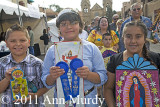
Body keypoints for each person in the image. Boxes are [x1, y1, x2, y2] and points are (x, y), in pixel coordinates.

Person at [41, 8, 107, 107]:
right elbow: (46, 82)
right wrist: (52, 76)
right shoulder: (52, 50)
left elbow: (103, 77)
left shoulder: (92, 48)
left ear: (80, 25)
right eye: (63, 24)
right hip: (62, 101)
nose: (69, 27)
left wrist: (88, 75)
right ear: (59, 28)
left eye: (73, 22)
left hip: (88, 101)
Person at [103, 21, 160, 107]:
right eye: (128, 36)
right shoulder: (114, 60)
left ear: (145, 39)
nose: (133, 41)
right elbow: (108, 89)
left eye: (138, 36)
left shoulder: (156, 59)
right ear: (123, 38)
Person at [0, 24, 48, 106]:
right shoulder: (1, 63)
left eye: (22, 40)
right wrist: (7, 79)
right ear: (6, 43)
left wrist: (34, 96)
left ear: (28, 42)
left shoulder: (38, 63)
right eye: (13, 41)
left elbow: (46, 86)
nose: (18, 44)